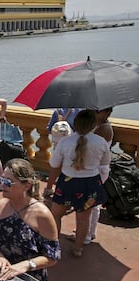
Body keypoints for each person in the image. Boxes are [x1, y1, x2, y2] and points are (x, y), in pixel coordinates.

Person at [0, 159, 61, 281]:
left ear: (27, 185)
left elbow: (53, 256)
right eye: (2, 180)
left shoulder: (42, 215)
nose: (3, 185)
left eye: (8, 182)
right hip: (1, 277)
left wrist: (25, 265)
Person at [43, 109, 110, 257]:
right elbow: (105, 164)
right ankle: (78, 248)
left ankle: (54, 244)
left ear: (75, 124)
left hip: (67, 182)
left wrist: (49, 186)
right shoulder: (101, 142)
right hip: (90, 184)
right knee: (83, 219)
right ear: (93, 125)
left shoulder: (65, 142)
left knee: (56, 214)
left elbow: (54, 165)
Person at [87, 107, 114, 244]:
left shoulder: (103, 129)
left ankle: (86, 235)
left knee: (89, 203)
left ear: (107, 113)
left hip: (97, 168)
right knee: (93, 203)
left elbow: (89, 145)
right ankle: (90, 231)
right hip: (97, 166)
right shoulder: (98, 125)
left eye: (98, 111)